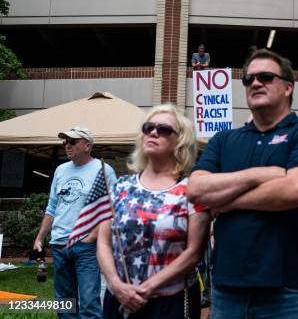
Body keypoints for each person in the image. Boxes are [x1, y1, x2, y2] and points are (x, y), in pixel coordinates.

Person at [187, 49, 298, 318]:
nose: (255, 82)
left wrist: (225, 201)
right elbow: (195, 190)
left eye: (266, 77)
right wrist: (258, 175)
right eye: (249, 78)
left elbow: (296, 190)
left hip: (290, 290)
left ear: (288, 87)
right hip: (226, 289)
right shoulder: (223, 140)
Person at [97, 104, 210, 318]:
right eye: (148, 127)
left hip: (170, 302)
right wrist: (116, 284)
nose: (154, 132)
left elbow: (194, 253)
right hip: (119, 299)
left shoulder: (192, 190)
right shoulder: (120, 187)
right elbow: (103, 242)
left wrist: (145, 289)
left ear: (180, 141)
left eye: (164, 129)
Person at [33, 126, 117, 319]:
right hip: (59, 244)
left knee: (88, 303)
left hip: (86, 246)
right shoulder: (61, 170)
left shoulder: (103, 170)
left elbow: (112, 209)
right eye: (65, 142)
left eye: (72, 142)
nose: (67, 146)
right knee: (65, 304)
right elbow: (52, 207)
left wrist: (93, 237)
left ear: (87, 145)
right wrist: (40, 238)